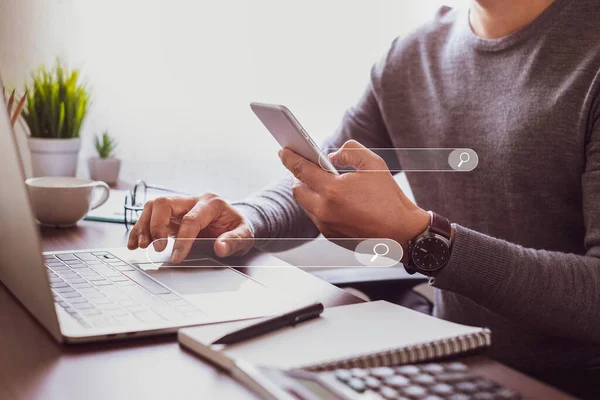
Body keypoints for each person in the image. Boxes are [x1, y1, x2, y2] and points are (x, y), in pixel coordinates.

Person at [128, 0, 600, 397]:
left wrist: (423, 238)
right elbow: (328, 179)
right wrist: (243, 221)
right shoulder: (412, 57)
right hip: (449, 362)